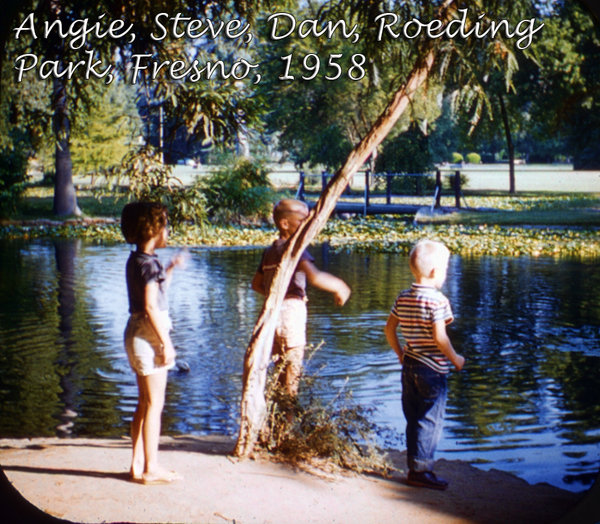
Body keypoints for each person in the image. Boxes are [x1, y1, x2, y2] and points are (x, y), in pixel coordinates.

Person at [384, 239, 465, 491]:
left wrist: (400, 353)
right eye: (445, 269)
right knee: (429, 419)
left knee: (413, 417)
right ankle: (421, 472)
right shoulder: (438, 301)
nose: (445, 274)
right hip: (432, 370)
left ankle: (414, 467)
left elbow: (389, 329)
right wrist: (456, 359)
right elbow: (440, 338)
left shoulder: (403, 296)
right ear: (434, 272)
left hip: (409, 366)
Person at [251, 199, 351, 396]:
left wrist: (278, 296)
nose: (307, 228)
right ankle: (288, 420)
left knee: (279, 372)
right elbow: (314, 276)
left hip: (271, 315)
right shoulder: (294, 249)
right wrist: (340, 286)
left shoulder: (270, 252)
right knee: (292, 376)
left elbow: (256, 284)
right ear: (285, 224)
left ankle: (277, 421)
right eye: (302, 222)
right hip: (291, 315)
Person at [121, 201, 188, 485]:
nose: (168, 229)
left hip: (135, 332)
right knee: (154, 405)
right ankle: (151, 468)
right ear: (154, 229)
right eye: (165, 224)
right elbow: (151, 306)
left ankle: (137, 465)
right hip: (149, 334)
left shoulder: (139, 260)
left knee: (144, 403)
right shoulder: (149, 265)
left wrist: (170, 268)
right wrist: (167, 343)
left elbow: (154, 292)